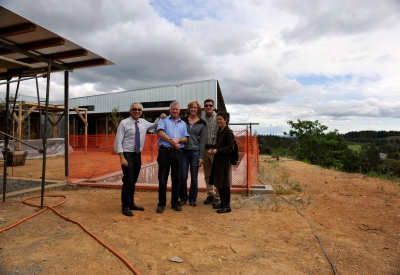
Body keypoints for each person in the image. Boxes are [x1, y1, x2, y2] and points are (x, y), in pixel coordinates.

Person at [114, 102, 162, 217]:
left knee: (133, 180)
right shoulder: (124, 123)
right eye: (134, 109)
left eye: (139, 110)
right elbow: (118, 141)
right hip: (127, 154)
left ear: (142, 111)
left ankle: (131, 203)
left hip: (137, 155)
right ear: (130, 111)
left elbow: (154, 125)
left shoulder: (143, 123)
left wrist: (161, 117)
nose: (137, 111)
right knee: (128, 180)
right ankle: (125, 206)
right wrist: (121, 157)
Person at [156, 101, 189, 214]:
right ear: (170, 110)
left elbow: (185, 138)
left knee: (177, 179)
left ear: (179, 111)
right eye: (173, 109)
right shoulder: (163, 120)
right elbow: (160, 132)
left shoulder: (183, 124)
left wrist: (179, 140)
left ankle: (175, 202)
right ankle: (161, 204)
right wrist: (173, 142)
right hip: (165, 152)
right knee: (162, 178)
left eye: (177, 109)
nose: (175, 111)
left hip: (178, 154)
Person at [179, 100, 207, 207]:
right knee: (183, 177)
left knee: (194, 178)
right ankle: (183, 198)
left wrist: (201, 156)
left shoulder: (202, 123)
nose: (193, 109)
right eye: (191, 107)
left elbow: (203, 141)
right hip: (184, 152)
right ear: (189, 109)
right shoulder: (183, 121)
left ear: (198, 109)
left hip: (195, 152)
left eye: (195, 108)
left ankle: (192, 198)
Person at [208, 111, 235, 213]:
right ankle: (222, 203)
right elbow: (219, 145)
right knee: (219, 181)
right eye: (217, 119)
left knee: (225, 183)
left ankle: (227, 205)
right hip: (218, 159)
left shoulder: (228, 132)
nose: (218, 121)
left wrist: (218, 151)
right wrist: (213, 149)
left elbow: (230, 147)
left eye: (221, 119)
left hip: (224, 160)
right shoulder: (220, 131)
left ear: (226, 120)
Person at [201, 99, 220, 206]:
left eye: (210, 105)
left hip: (215, 149)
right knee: (207, 174)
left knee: (217, 174)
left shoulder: (218, 118)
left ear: (214, 107)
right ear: (204, 107)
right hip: (205, 149)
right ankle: (210, 194)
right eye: (206, 105)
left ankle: (218, 196)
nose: (208, 107)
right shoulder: (202, 120)